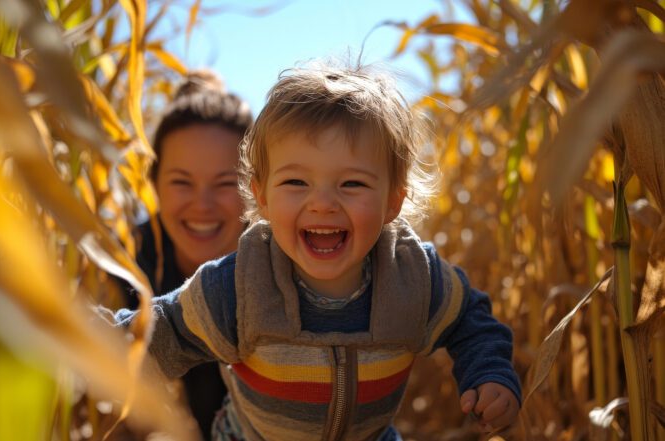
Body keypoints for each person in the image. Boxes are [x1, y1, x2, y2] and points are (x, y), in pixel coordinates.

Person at [114, 63, 521, 441]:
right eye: (296, 183)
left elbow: (468, 318)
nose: (322, 203)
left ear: (393, 201)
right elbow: (163, 329)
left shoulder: (414, 277)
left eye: (352, 185)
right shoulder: (240, 286)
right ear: (262, 198)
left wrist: (489, 373)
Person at [125, 70, 252, 439]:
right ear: (155, 183)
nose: (202, 205)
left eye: (225, 183)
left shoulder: (290, 268)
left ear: (254, 185)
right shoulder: (127, 264)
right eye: (182, 182)